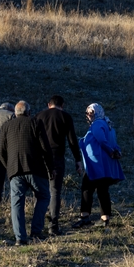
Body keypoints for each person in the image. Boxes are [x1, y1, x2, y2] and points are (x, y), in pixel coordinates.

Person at [0, 101, 53, 246]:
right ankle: (36, 231)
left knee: (16, 203)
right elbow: (45, 148)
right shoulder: (35, 123)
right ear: (29, 112)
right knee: (43, 196)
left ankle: (20, 238)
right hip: (35, 168)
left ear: (15, 113)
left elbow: (1, 151)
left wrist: (8, 167)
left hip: (14, 170)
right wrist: (51, 168)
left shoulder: (6, 126)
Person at [35, 95, 82, 235]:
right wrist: (77, 160)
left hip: (39, 157)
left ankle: (38, 223)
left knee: (40, 192)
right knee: (54, 191)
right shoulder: (65, 117)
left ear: (49, 104)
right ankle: (53, 225)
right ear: (62, 105)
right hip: (56, 157)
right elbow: (72, 140)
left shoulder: (39, 116)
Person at [73, 102, 124, 228]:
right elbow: (113, 142)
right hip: (104, 164)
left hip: (95, 163)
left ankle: (85, 216)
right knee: (102, 190)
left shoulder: (97, 125)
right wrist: (116, 151)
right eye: (87, 113)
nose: (88, 116)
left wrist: (111, 151)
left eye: (90, 113)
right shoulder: (108, 124)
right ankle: (105, 218)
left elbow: (101, 140)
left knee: (87, 188)